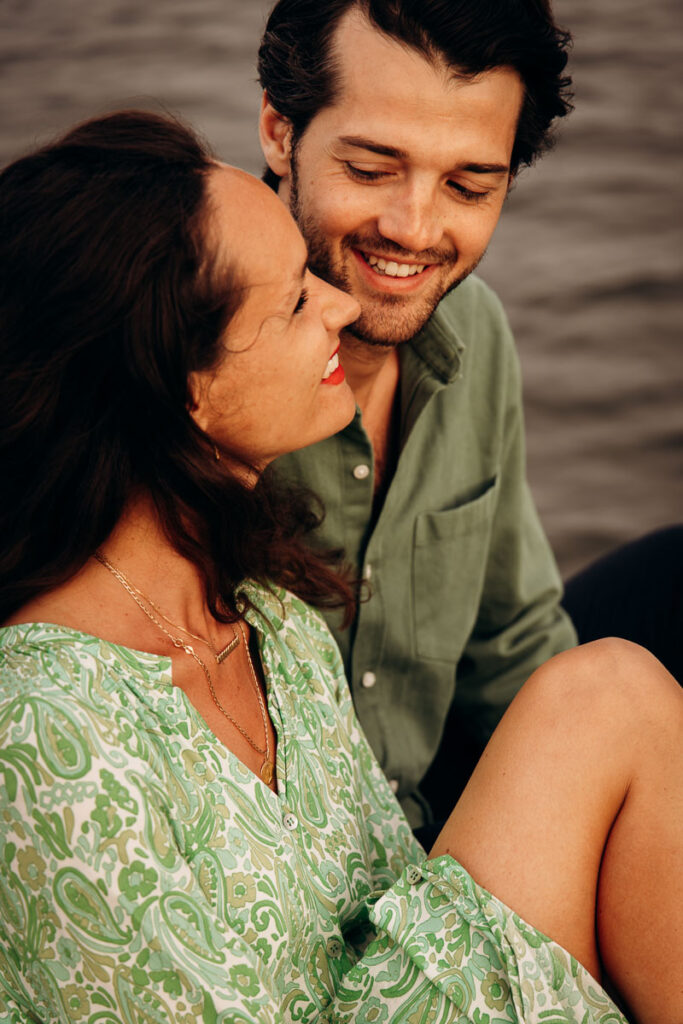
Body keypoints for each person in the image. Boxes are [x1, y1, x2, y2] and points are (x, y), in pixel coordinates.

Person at [0, 110, 681, 1024]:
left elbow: (388, 883)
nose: (344, 307)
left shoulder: (268, 621)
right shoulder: (44, 733)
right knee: (603, 696)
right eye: (293, 301)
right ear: (177, 384)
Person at [256, 0, 579, 832]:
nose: (413, 229)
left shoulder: (477, 331)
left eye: (469, 185)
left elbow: (509, 639)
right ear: (278, 133)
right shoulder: (186, 350)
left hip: (436, 822)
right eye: (369, 170)